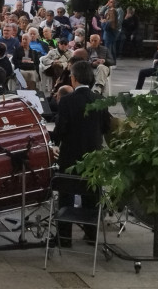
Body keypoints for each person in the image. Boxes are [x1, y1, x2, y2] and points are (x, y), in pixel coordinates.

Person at [50, 61, 111, 245]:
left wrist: (55, 141)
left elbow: (61, 129)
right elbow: (106, 127)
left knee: (66, 196)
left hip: (70, 156)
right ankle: (91, 235)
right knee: (91, 195)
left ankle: (65, 237)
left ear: (73, 78)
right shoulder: (100, 100)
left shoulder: (68, 100)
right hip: (94, 155)